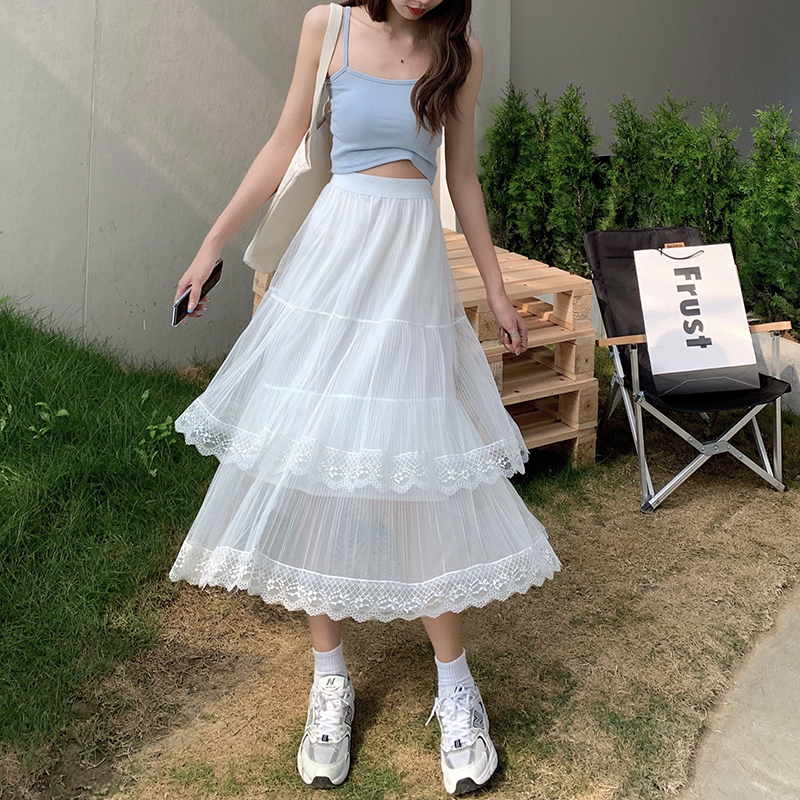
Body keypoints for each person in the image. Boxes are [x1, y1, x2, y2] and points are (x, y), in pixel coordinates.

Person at [170, 0, 561, 795]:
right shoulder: (329, 26)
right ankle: (330, 683)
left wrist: (497, 289)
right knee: (317, 470)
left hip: (408, 280)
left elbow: (461, 178)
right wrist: (212, 245)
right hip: (329, 272)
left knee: (416, 480)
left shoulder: (460, 52)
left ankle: (457, 689)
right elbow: (284, 142)